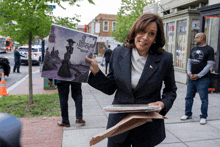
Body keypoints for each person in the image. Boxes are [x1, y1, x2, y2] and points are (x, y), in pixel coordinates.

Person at [86, 13, 177, 147]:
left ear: (156, 38)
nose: (145, 37)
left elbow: (171, 90)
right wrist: (96, 72)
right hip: (118, 125)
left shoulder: (165, 59)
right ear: (135, 31)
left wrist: (162, 104)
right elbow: (110, 87)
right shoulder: (118, 53)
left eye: (151, 34)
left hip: (147, 127)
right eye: (142, 31)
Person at [180, 33, 214, 125]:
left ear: (202, 38)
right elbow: (189, 61)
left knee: (204, 99)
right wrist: (189, 73)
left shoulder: (209, 49)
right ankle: (187, 114)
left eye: (196, 38)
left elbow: (210, 64)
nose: (195, 39)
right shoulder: (194, 49)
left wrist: (199, 75)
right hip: (191, 78)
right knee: (188, 97)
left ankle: (203, 117)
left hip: (203, 79)